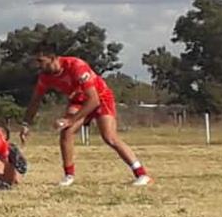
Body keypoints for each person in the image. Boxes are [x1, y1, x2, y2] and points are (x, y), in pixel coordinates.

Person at [19, 45, 150, 187]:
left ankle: (141, 174)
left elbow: (93, 100)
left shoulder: (76, 66)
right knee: (66, 133)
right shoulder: (45, 77)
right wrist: (26, 124)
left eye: (40, 61)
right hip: (78, 101)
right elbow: (35, 101)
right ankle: (69, 176)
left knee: (109, 137)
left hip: (100, 98)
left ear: (52, 58)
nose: (38, 65)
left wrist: (70, 120)